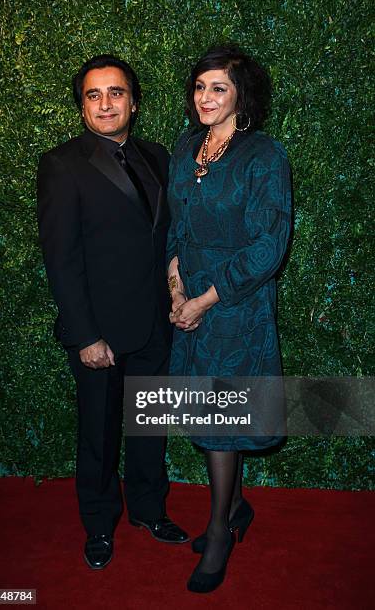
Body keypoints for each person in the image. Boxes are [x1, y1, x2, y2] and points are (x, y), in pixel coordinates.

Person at [37, 54, 189, 570]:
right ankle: (99, 524)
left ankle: (148, 509)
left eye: (116, 93)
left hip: (154, 326)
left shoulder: (159, 156)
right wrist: (85, 335)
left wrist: (175, 296)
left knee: (151, 427)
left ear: (134, 102)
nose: (106, 104)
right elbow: (60, 257)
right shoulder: (61, 163)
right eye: (94, 95)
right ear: (82, 107)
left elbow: (166, 238)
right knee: (98, 434)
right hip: (98, 331)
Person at [167, 44, 292, 592]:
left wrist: (204, 299)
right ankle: (236, 507)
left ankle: (219, 530)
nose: (205, 98)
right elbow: (176, 224)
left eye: (218, 88)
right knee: (202, 410)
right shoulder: (186, 146)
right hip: (187, 297)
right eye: (200, 87)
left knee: (220, 418)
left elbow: (271, 245)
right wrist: (175, 285)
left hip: (235, 305)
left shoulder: (264, 155)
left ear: (242, 94)